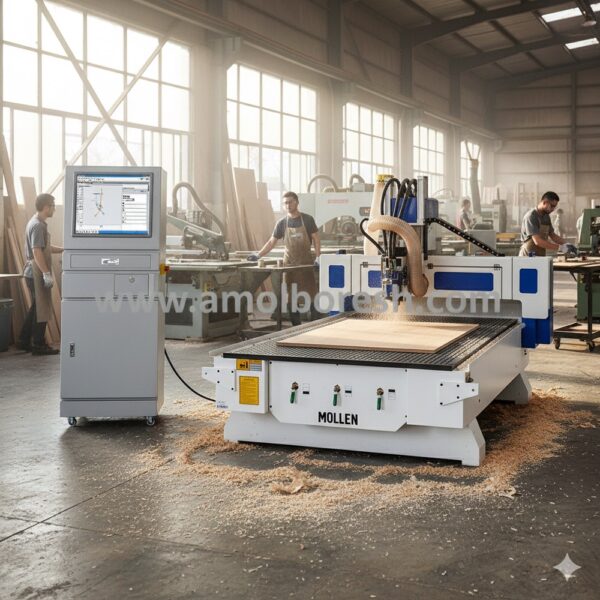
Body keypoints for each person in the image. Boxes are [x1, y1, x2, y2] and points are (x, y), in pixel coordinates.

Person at [248, 191, 320, 325]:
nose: (288, 205)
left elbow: (316, 238)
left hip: (306, 264)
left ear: (297, 202)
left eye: (290, 202)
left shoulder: (308, 219)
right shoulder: (281, 223)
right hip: (289, 265)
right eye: (285, 203)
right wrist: (258, 255)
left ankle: (315, 325)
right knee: (291, 297)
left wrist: (318, 257)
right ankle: (296, 327)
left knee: (311, 295)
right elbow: (271, 242)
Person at [17, 193, 62, 355]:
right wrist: (46, 274)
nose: (54, 209)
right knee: (41, 308)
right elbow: (37, 251)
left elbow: (45, 248)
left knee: (37, 307)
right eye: (53, 206)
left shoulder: (36, 222)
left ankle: (23, 340)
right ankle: (38, 345)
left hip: (32, 272)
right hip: (36, 273)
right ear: (46, 207)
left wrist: (63, 249)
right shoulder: (38, 226)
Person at [519, 191, 576, 257]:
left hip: (540, 254)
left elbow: (552, 235)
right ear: (544, 202)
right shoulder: (531, 216)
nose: (553, 209)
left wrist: (567, 244)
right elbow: (537, 241)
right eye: (552, 206)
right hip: (528, 256)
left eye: (554, 207)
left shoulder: (546, 216)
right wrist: (560, 248)